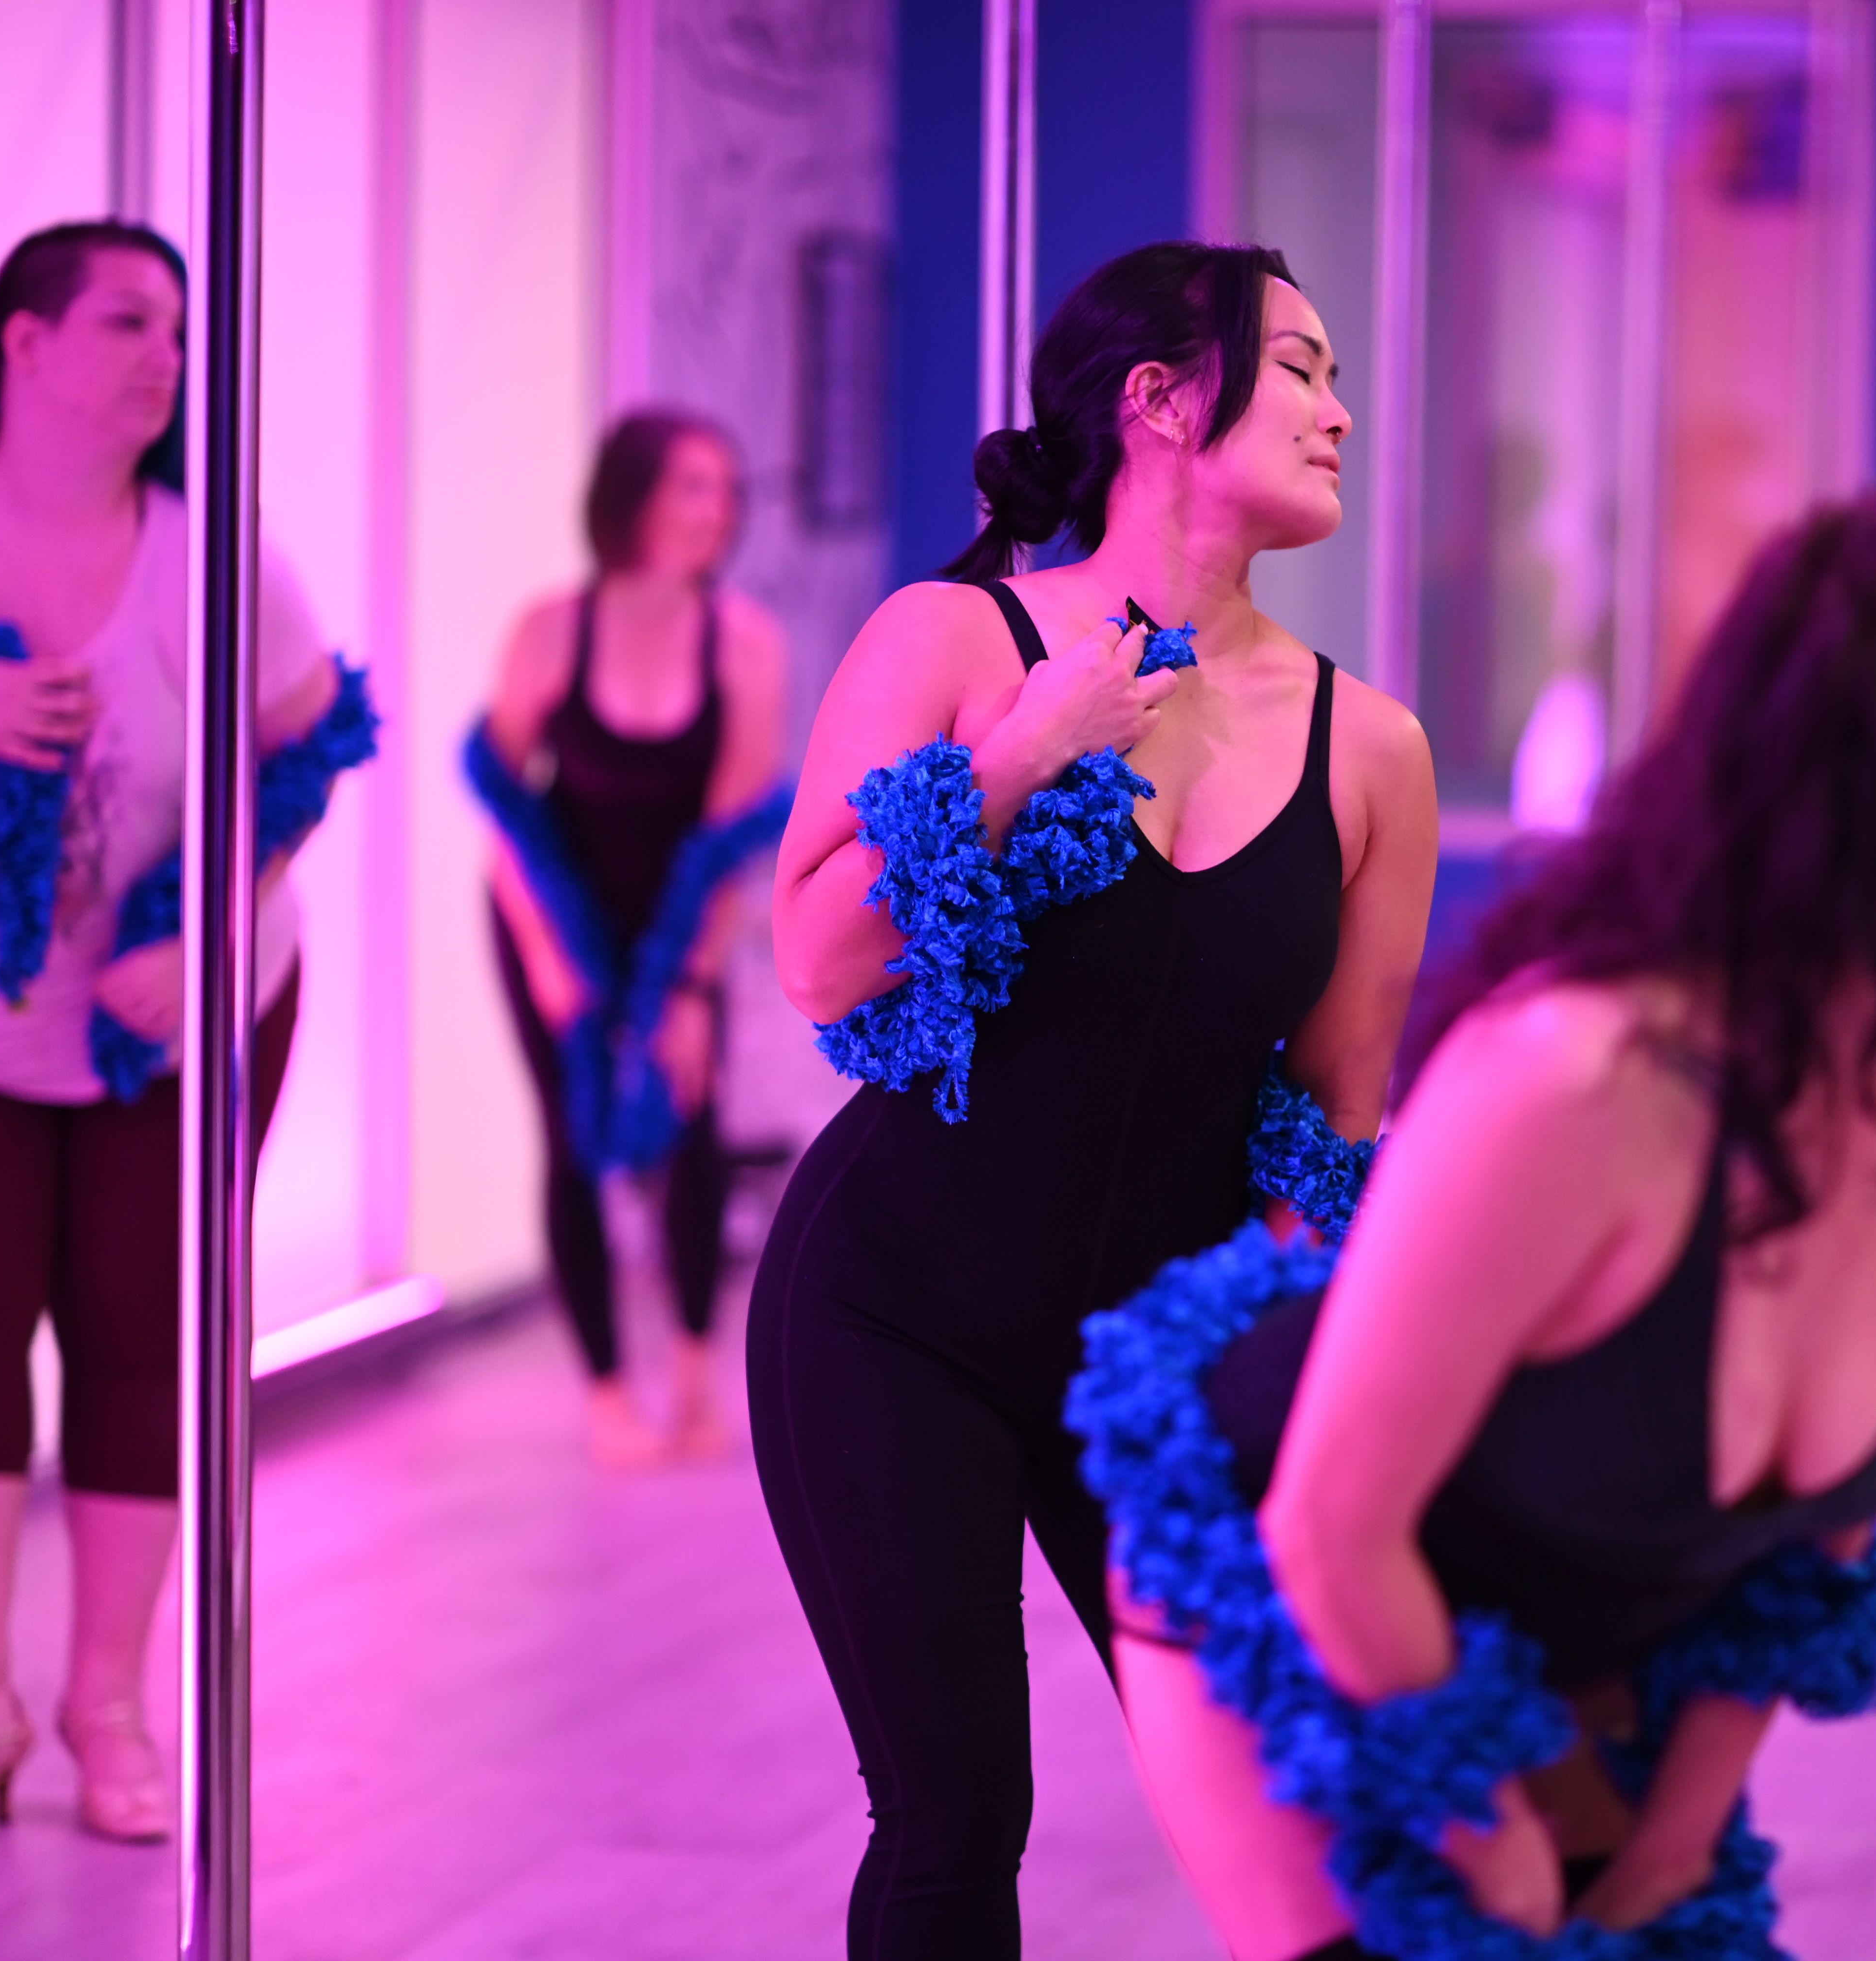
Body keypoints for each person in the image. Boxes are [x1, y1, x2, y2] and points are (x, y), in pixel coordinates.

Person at [1099, 489, 1876, 1960]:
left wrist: (1670, 1856)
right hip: (1283, 1575)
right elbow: (1332, 1530)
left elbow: (1820, 1546)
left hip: (1570, 1629)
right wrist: (1493, 1834)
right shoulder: (1581, 1072)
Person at [747, 242, 1437, 1960]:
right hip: (891, 1314)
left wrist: (1317, 1409)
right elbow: (817, 960)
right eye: (1296, 367)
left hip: (1159, 1348)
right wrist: (1016, 752)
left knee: (1305, 1784)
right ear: (1155, 401)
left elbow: (1342, 1108)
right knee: (957, 1807)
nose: (1338, 410)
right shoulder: (957, 637)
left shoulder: (1371, 748)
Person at [0, 223, 348, 1854]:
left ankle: (107, 1707)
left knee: (142, 1346)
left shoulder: (216, 553)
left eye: (179, 336)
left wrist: (198, 925)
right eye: (127, 322)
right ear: (23, 342)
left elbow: (311, 740)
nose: (163, 359)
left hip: (181, 1013)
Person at [479, 411, 786, 1468]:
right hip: (553, 916)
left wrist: (691, 989)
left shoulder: (743, 640)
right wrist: (549, 955)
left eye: (728, 489)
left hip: (677, 919)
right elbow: (502, 814)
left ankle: (694, 1381)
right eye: (694, 486)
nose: (720, 510)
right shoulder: (550, 630)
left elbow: (730, 837)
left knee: (691, 1126)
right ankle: (607, 1390)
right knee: (572, 1135)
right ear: (631, 497)